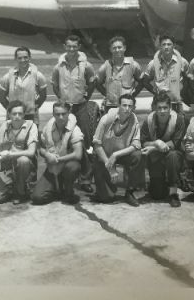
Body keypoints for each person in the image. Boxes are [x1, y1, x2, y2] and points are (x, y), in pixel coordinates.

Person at [51, 34, 99, 193]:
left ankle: (86, 178)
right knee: (64, 140)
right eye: (69, 46)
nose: (71, 49)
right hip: (66, 109)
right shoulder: (58, 66)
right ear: (65, 47)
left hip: (81, 107)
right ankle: (65, 177)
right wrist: (61, 99)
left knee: (86, 141)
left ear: (79, 47)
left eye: (75, 46)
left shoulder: (87, 65)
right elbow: (55, 85)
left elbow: (92, 82)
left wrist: (86, 97)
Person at [92, 94, 144, 206]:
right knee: (107, 198)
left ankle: (130, 192)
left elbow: (135, 145)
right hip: (104, 155)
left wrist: (116, 155)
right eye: (124, 105)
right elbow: (96, 145)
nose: (127, 109)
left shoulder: (134, 121)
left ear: (134, 108)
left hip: (121, 154)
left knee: (137, 155)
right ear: (118, 106)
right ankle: (104, 191)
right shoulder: (106, 119)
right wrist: (110, 167)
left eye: (130, 106)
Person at [32, 102, 84, 205]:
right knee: (37, 197)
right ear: (53, 114)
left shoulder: (75, 130)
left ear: (69, 113)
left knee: (73, 167)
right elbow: (41, 148)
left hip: (66, 165)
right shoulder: (48, 127)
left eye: (63, 114)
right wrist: (47, 155)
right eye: (57, 114)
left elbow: (78, 154)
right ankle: (57, 190)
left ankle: (68, 190)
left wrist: (57, 159)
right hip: (52, 167)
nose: (60, 117)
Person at [140, 92, 186, 207]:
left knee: (173, 156)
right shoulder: (148, 120)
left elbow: (176, 142)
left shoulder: (179, 119)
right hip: (156, 157)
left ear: (170, 108)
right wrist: (156, 143)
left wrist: (156, 147)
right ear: (155, 108)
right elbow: (143, 142)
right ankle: (162, 181)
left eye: (165, 108)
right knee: (156, 195)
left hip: (172, 154)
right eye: (159, 108)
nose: (162, 111)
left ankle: (173, 193)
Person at [0, 101, 38, 205]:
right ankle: (11, 186)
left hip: (24, 167)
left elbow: (31, 152)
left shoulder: (31, 126)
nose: (17, 116)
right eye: (14, 114)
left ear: (24, 114)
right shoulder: (5, 126)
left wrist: (9, 154)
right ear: (9, 114)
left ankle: (20, 192)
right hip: (7, 168)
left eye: (20, 114)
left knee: (23, 160)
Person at [0, 46, 47, 125]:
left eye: (25, 57)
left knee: (32, 137)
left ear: (30, 58)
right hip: (13, 116)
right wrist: (11, 110)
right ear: (15, 59)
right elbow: (1, 97)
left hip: (31, 116)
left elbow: (43, 95)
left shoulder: (38, 75)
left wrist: (34, 107)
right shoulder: (7, 77)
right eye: (19, 58)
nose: (23, 60)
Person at [95, 36, 144, 113]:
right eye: (114, 48)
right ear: (110, 50)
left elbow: (142, 81)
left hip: (127, 105)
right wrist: (106, 94)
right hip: (111, 106)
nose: (117, 50)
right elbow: (97, 83)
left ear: (124, 48)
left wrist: (133, 95)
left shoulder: (133, 65)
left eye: (119, 47)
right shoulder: (105, 66)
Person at [143, 35, 190, 113]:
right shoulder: (153, 63)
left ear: (174, 46)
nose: (166, 47)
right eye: (163, 44)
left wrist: (182, 92)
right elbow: (145, 81)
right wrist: (156, 92)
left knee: (178, 123)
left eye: (169, 44)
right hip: (159, 102)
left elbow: (188, 78)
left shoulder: (182, 62)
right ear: (160, 47)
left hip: (176, 102)